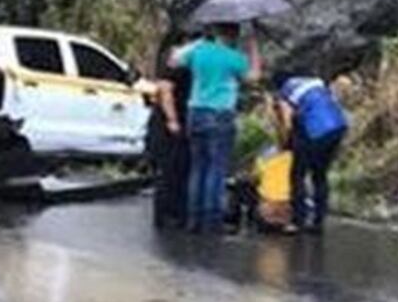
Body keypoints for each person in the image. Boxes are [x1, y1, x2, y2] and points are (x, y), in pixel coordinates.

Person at [176, 22, 262, 232]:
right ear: (234, 34)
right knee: (216, 169)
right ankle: (211, 221)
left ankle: (193, 220)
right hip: (220, 114)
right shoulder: (233, 57)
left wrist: (200, 41)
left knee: (198, 167)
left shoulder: (199, 51)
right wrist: (253, 46)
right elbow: (254, 77)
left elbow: (174, 59)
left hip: (195, 111)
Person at [270, 71, 348, 233]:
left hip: (315, 131)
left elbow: (287, 120)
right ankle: (318, 222)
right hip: (338, 127)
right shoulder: (315, 82)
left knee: (297, 175)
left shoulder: (286, 91)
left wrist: (284, 144)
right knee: (320, 175)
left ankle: (298, 221)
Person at [147, 27, 197, 229]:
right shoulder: (176, 59)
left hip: (177, 119)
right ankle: (168, 215)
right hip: (170, 122)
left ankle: (173, 213)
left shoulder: (175, 57)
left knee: (178, 168)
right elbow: (165, 90)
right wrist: (172, 119)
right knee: (171, 169)